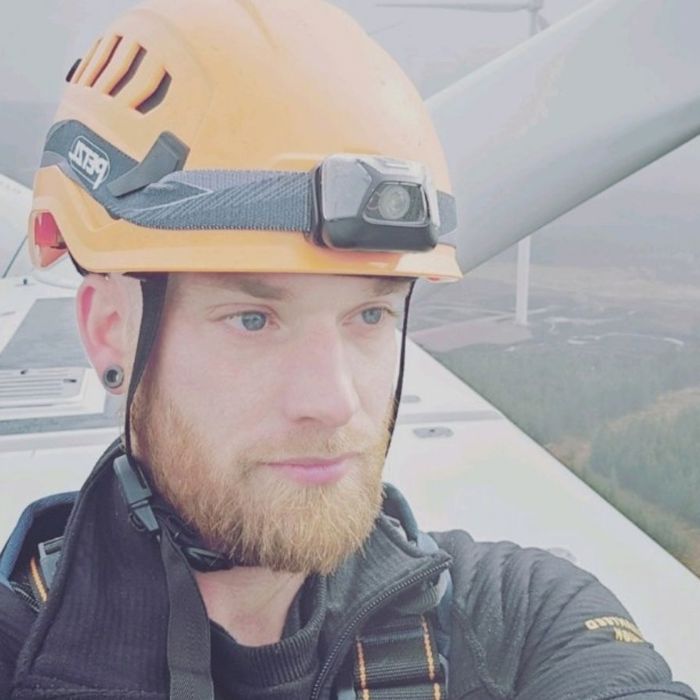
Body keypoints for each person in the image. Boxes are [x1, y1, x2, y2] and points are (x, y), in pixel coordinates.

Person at [0, 1, 696, 698]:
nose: (333, 403)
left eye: (369, 313)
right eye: (252, 319)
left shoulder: (519, 616)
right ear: (110, 333)